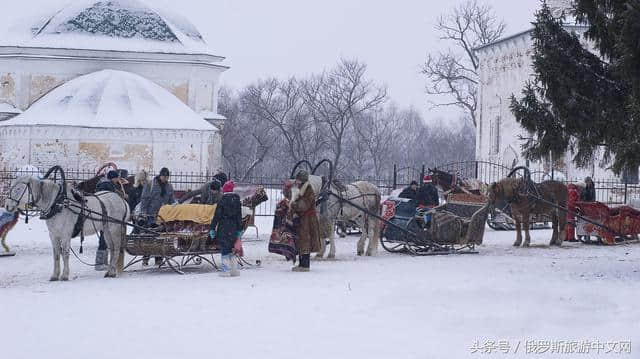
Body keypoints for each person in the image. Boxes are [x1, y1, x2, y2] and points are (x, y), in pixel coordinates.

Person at [289, 170, 321, 272]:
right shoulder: (301, 189)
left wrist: (294, 205)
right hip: (302, 219)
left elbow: (304, 205)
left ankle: (305, 265)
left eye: (298, 180)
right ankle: (301, 264)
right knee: (301, 241)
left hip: (308, 220)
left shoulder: (308, 190)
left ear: (302, 180)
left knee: (305, 241)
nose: (296, 182)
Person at [209, 181, 243, 277]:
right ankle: (234, 270)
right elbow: (239, 217)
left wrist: (212, 228)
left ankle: (225, 270)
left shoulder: (222, 200)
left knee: (225, 249)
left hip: (224, 228)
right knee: (232, 249)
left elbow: (217, 216)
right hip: (234, 228)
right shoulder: (237, 201)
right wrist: (239, 230)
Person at [94, 170, 121, 271]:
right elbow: (110, 201)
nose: (118, 180)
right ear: (113, 178)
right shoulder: (108, 186)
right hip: (106, 215)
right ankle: (100, 262)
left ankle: (102, 261)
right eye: (117, 178)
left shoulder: (102, 183)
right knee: (104, 238)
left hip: (101, 213)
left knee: (104, 237)